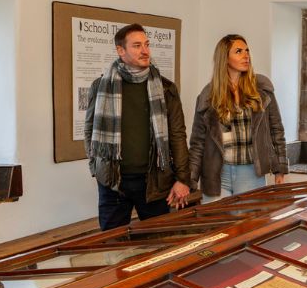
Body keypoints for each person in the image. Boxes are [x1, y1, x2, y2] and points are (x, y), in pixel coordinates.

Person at [85, 23, 190, 230]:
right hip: (113, 183)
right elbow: (89, 130)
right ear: (120, 50)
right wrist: (96, 167)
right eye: (137, 45)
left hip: (155, 182)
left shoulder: (166, 87)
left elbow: (178, 134)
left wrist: (182, 179)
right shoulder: (100, 86)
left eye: (147, 44)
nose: (145, 51)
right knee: (111, 245)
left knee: (158, 244)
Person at [189, 34, 288, 202]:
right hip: (216, 174)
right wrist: (189, 180)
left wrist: (281, 167)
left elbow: (276, 129)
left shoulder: (261, 90)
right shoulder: (208, 96)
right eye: (239, 51)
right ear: (224, 58)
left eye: (247, 50)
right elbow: (197, 142)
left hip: (250, 172)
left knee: (248, 226)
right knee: (219, 226)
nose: (246, 55)